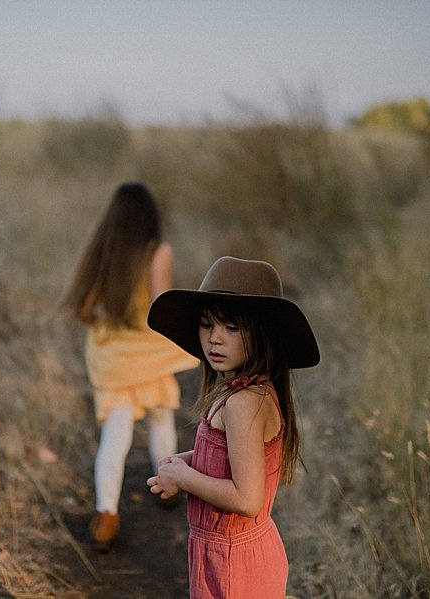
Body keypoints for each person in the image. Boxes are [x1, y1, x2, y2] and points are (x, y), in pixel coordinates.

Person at [146, 256, 320, 598]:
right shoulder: (241, 390)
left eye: (231, 327)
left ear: (261, 333)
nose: (215, 339)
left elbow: (248, 499)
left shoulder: (244, 403)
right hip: (223, 553)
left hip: (235, 560)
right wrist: (182, 461)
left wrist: (185, 478)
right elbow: (229, 455)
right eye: (207, 325)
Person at [62, 182, 199, 552]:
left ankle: (106, 518)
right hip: (148, 351)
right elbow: (160, 308)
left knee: (115, 436)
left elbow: (85, 310)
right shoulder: (159, 253)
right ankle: (167, 487)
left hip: (113, 357)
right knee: (160, 418)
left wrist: (111, 320)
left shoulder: (104, 250)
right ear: (149, 216)